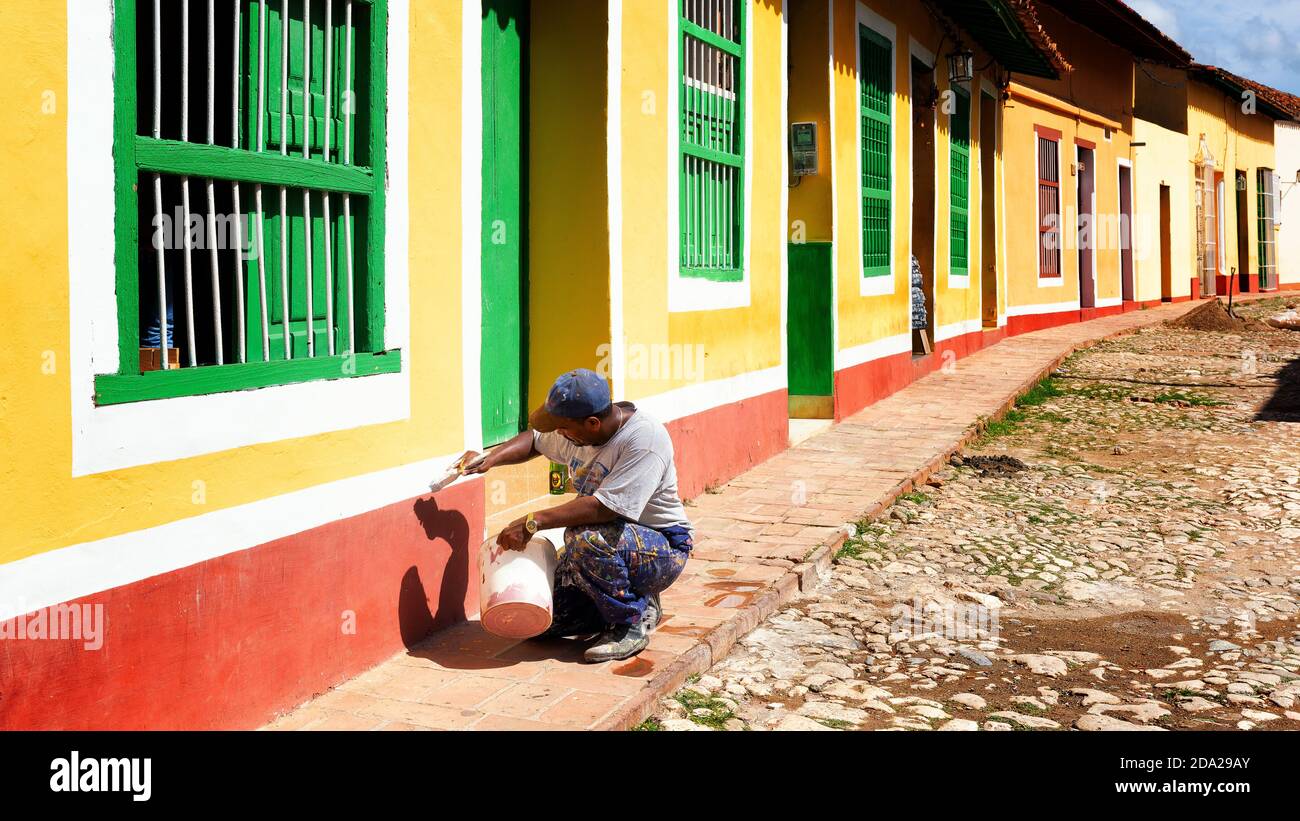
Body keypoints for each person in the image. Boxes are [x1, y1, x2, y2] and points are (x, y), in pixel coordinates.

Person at [459, 368, 693, 662]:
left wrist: (534, 521)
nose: (559, 435)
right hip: (613, 543)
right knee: (539, 621)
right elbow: (534, 439)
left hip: (662, 548)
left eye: (563, 428)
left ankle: (630, 623)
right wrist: (490, 458)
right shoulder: (577, 431)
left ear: (593, 423)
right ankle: (627, 602)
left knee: (583, 537)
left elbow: (604, 509)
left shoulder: (644, 440)